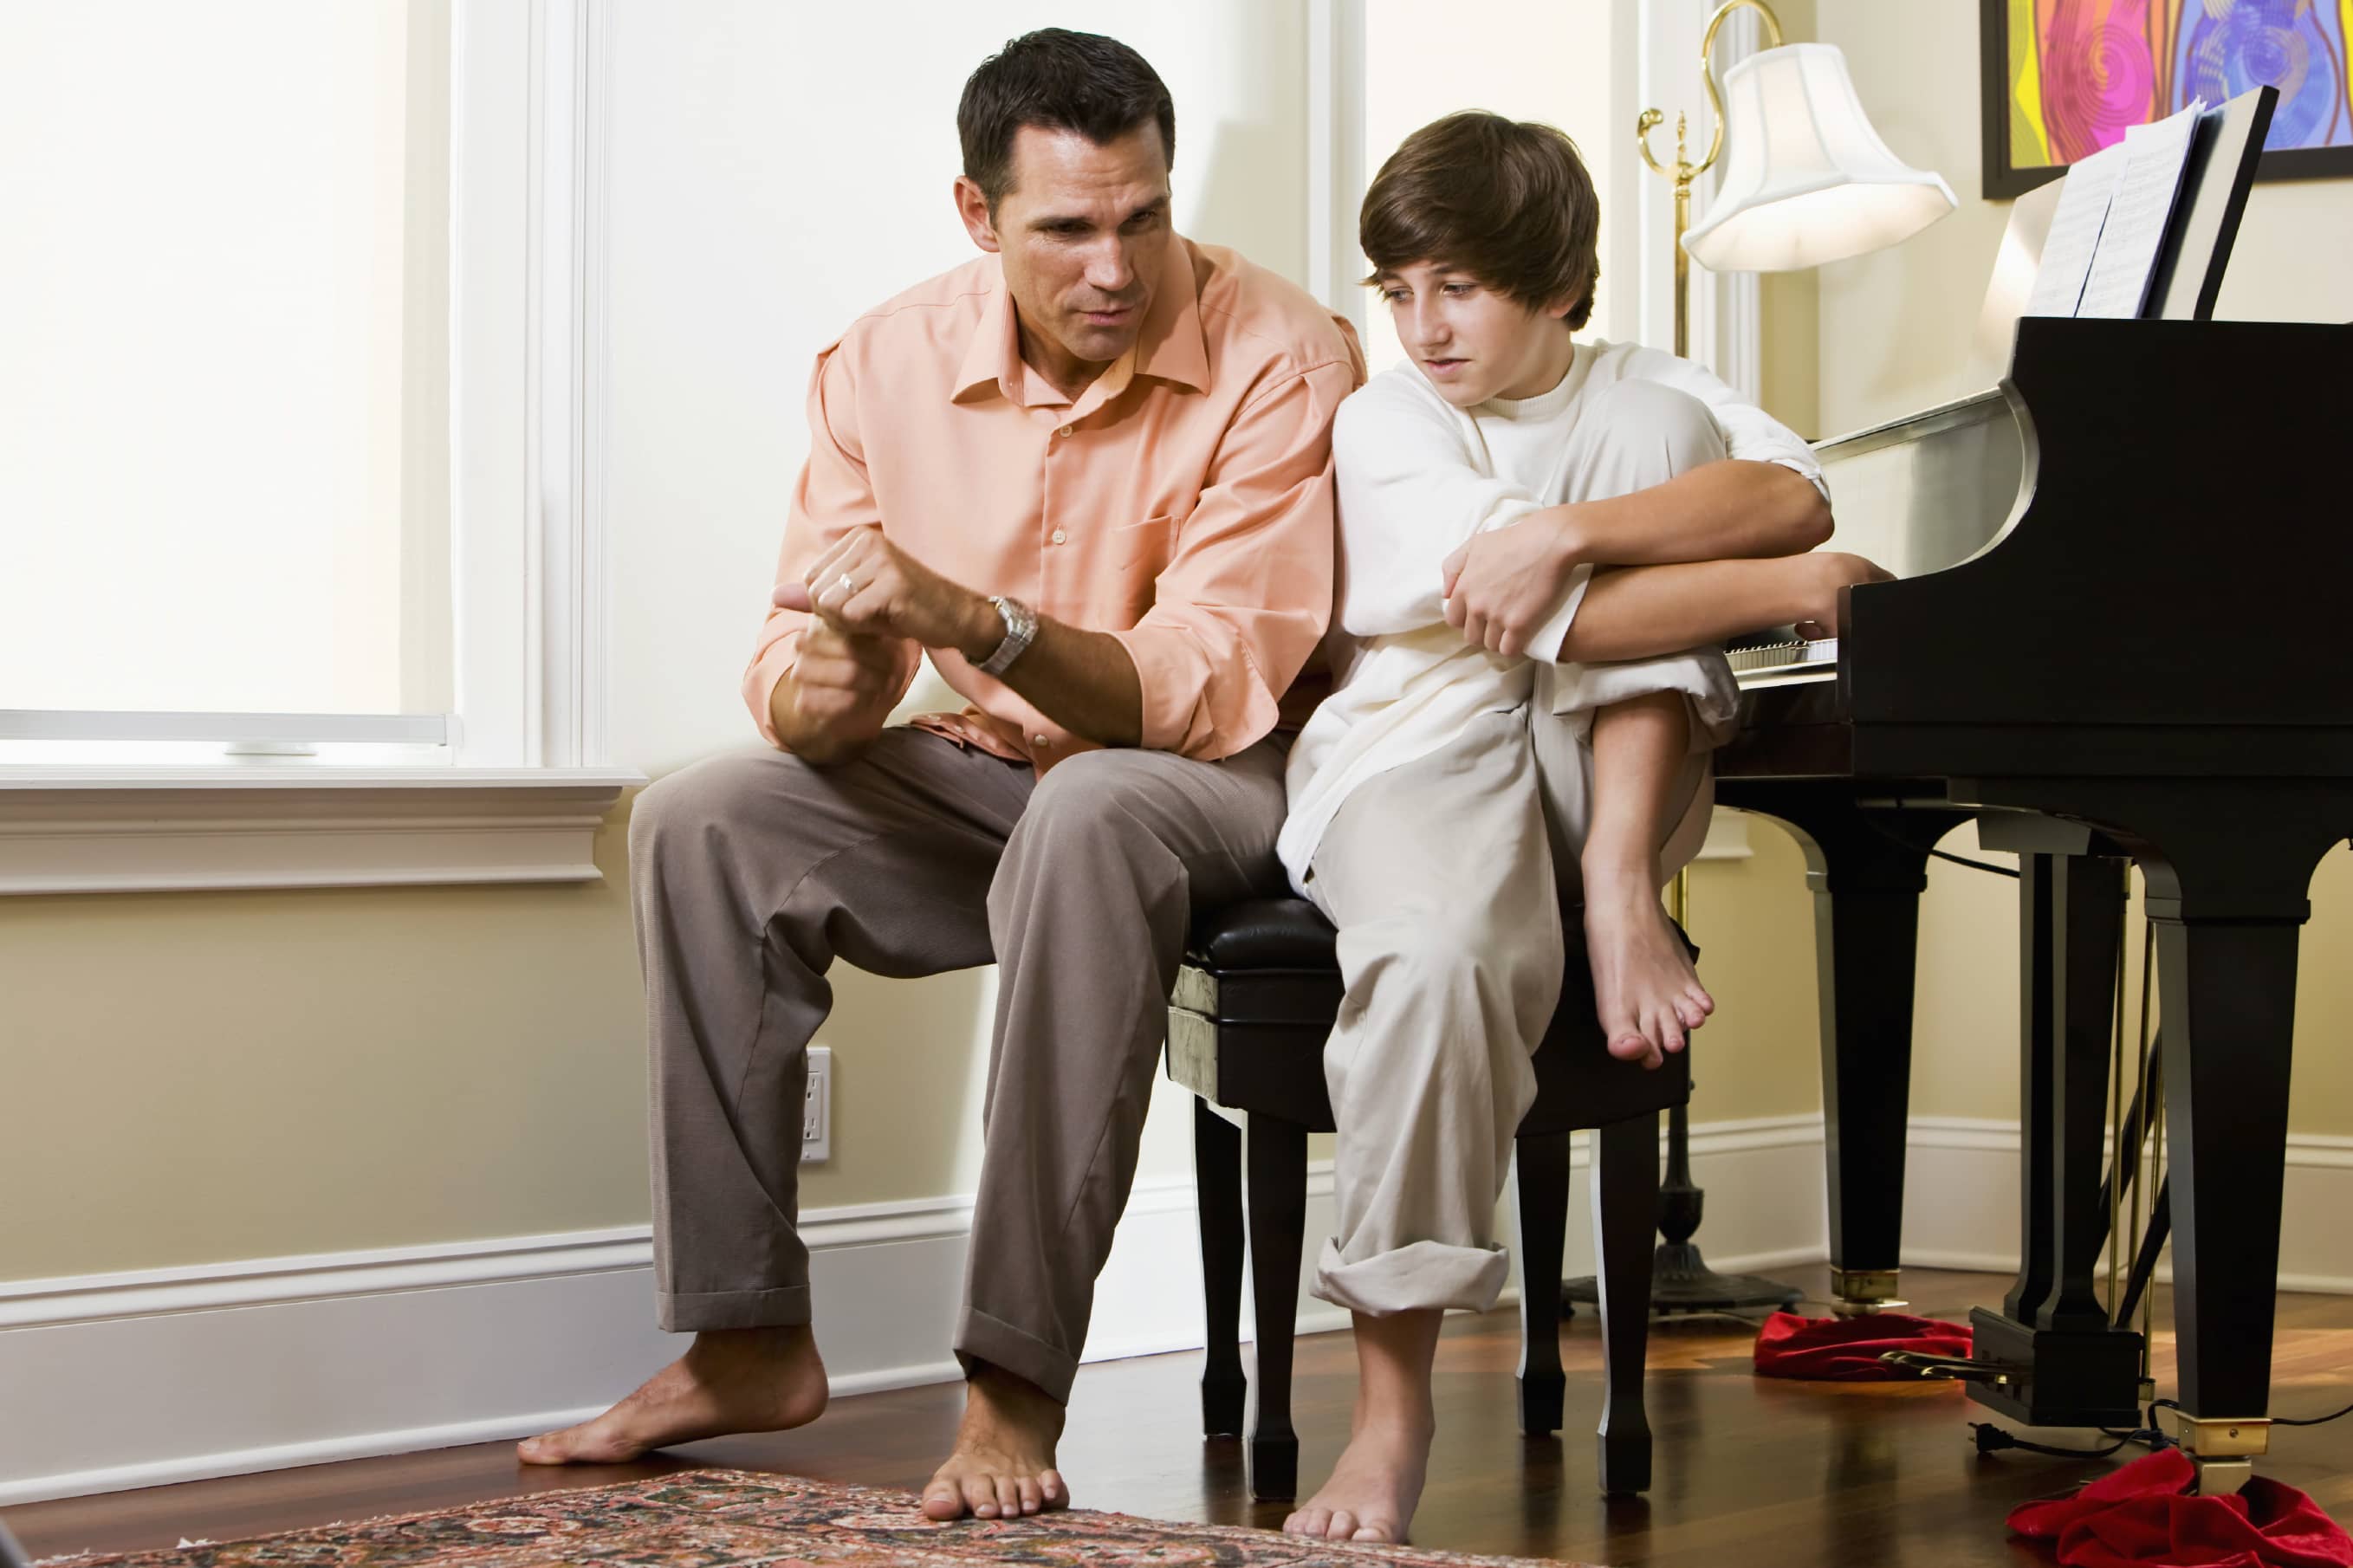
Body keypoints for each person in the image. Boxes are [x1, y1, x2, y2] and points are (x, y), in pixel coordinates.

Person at [517, 29, 1364, 1525]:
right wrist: (824, 696)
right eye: (1068, 228)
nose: (1116, 266)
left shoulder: (1285, 358)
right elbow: (800, 651)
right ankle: (746, 1334)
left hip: (1217, 781)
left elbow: (1198, 684)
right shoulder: (882, 362)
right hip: (987, 778)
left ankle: (1012, 1385)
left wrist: (976, 620)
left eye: (1145, 217)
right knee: (702, 815)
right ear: (979, 218)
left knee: (1096, 806)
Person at [1276, 111, 1887, 1545]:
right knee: (1432, 960)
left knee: (1659, 437)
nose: (1421, 327)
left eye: (1460, 289)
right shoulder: (1387, 419)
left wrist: (1565, 524)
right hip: (1420, 757)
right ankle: (1391, 1411)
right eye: (1398, 290)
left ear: (1557, 284)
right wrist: (1790, 586)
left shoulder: (1648, 391)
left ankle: (1616, 882)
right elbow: (1618, 611)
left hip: (1591, 771)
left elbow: (1792, 491)